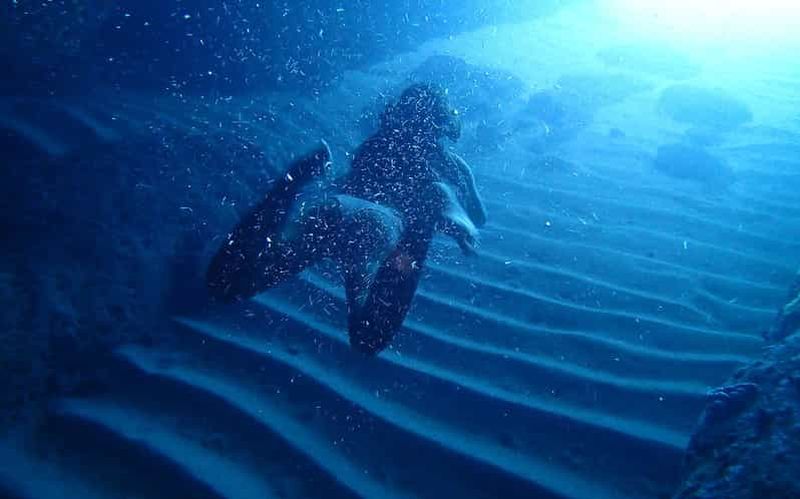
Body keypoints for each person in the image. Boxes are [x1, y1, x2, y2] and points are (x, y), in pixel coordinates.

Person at [207, 83, 487, 354]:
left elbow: (354, 185)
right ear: (441, 121)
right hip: (380, 227)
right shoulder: (449, 162)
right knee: (368, 340)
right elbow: (477, 214)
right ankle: (429, 214)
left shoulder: (376, 142)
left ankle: (292, 184)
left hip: (333, 210)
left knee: (228, 286)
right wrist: (461, 205)